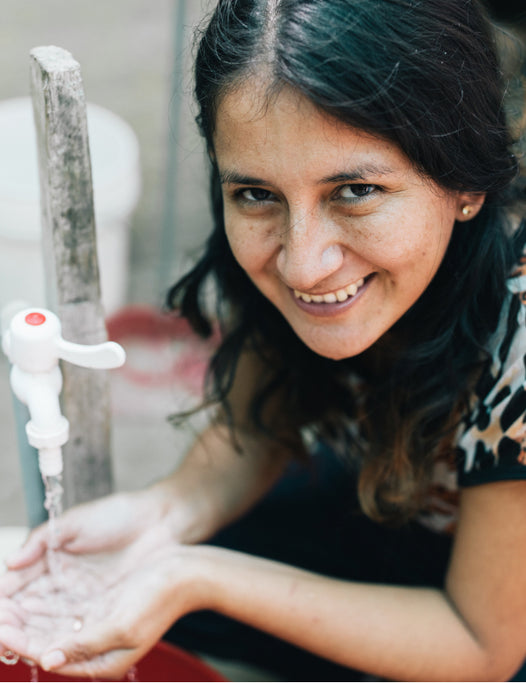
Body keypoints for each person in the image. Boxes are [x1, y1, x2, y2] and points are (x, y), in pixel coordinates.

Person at [1, 0, 526, 680]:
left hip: (498, 604)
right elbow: (261, 418)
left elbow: (481, 643)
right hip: (388, 490)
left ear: (464, 181)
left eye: (357, 190)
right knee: (130, 588)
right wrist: (161, 516)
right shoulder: (277, 238)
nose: (302, 263)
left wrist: (197, 573)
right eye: (255, 194)